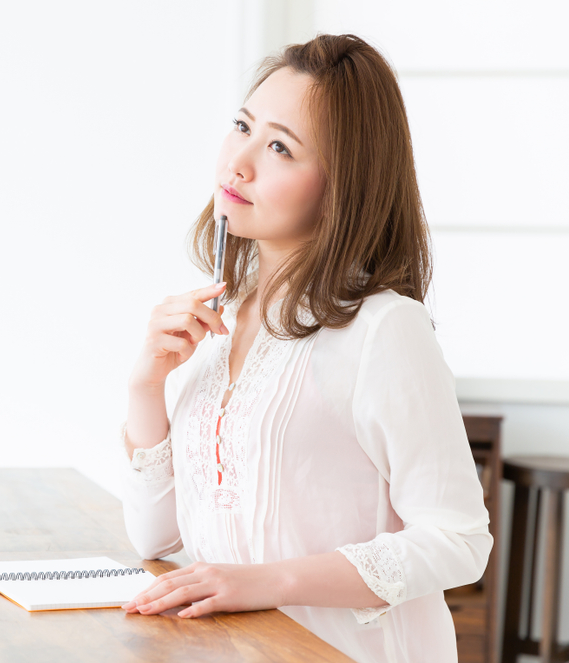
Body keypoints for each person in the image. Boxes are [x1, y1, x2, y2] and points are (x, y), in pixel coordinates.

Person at [118, 33, 491, 663]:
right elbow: (155, 536)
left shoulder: (383, 328)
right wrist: (146, 385)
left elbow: (458, 540)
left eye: (280, 147)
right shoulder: (216, 324)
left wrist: (263, 582)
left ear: (341, 184)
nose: (239, 163)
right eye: (242, 126)